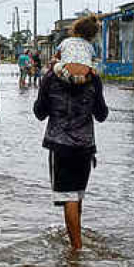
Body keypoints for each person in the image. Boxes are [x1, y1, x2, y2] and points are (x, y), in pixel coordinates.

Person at [33, 15, 109, 250]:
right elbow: (102, 114)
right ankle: (76, 243)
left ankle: (76, 250)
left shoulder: (50, 78)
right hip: (85, 146)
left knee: (68, 198)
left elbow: (39, 113)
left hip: (60, 145)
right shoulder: (93, 80)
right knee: (77, 195)